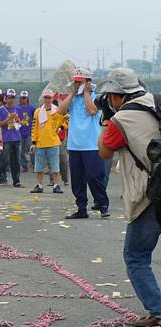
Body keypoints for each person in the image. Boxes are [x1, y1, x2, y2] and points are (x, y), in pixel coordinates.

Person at [97, 68, 161, 327]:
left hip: (151, 195)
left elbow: (103, 152)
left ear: (116, 95)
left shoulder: (121, 119)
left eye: (110, 96)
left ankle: (157, 309)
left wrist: (108, 120)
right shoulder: (156, 102)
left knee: (135, 255)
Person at [57, 67, 110, 219]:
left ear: (88, 82)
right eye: (75, 82)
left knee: (94, 177)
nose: (77, 84)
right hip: (75, 145)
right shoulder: (73, 99)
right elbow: (61, 110)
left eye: (80, 82)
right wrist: (73, 92)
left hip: (92, 145)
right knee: (77, 179)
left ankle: (103, 204)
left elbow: (93, 111)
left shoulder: (97, 97)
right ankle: (81, 208)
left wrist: (86, 92)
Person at [29, 89, 68, 194]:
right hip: (40, 143)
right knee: (39, 166)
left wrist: (61, 128)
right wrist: (33, 142)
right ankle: (39, 185)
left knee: (55, 166)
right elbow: (34, 127)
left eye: (49, 97)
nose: (47, 100)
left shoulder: (57, 111)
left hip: (54, 143)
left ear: (52, 99)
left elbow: (65, 121)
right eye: (45, 97)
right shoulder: (37, 112)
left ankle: (56, 185)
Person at [0, 89, 23, 188]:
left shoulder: (18, 109)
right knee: (5, 160)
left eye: (12, 97)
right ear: (6, 98)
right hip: (7, 138)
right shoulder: (2, 110)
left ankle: (16, 180)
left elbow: (20, 123)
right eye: (9, 97)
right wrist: (8, 119)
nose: (11, 99)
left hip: (17, 137)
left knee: (16, 161)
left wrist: (17, 119)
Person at [18, 90, 36, 172]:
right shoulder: (17, 108)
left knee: (31, 150)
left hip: (29, 132)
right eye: (22, 98)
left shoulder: (32, 108)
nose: (23, 99)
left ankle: (35, 166)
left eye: (25, 98)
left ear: (27, 98)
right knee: (20, 151)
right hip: (20, 132)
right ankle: (24, 167)